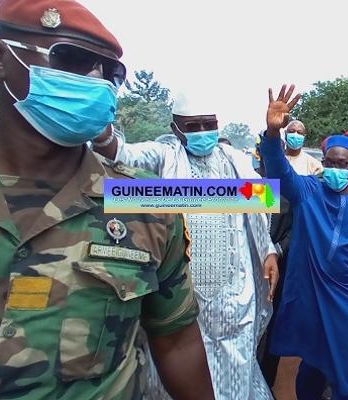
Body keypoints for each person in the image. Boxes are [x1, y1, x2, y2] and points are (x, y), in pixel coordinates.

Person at [0, 1, 214, 399]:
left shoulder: (146, 199)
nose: (96, 80)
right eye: (73, 59)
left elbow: (177, 340)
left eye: (110, 72)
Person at [92, 94, 279, 399]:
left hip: (234, 293)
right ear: (176, 129)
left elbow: (262, 203)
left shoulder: (236, 160)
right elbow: (121, 155)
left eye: (209, 124)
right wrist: (102, 134)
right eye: (193, 126)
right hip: (182, 293)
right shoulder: (164, 155)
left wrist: (268, 250)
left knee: (238, 369)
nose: (203, 131)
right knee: (182, 368)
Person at [262, 84, 348, 400]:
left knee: (345, 370)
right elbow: (277, 170)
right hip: (311, 293)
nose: (335, 168)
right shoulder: (307, 191)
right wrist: (273, 133)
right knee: (311, 366)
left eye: (342, 164)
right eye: (330, 162)